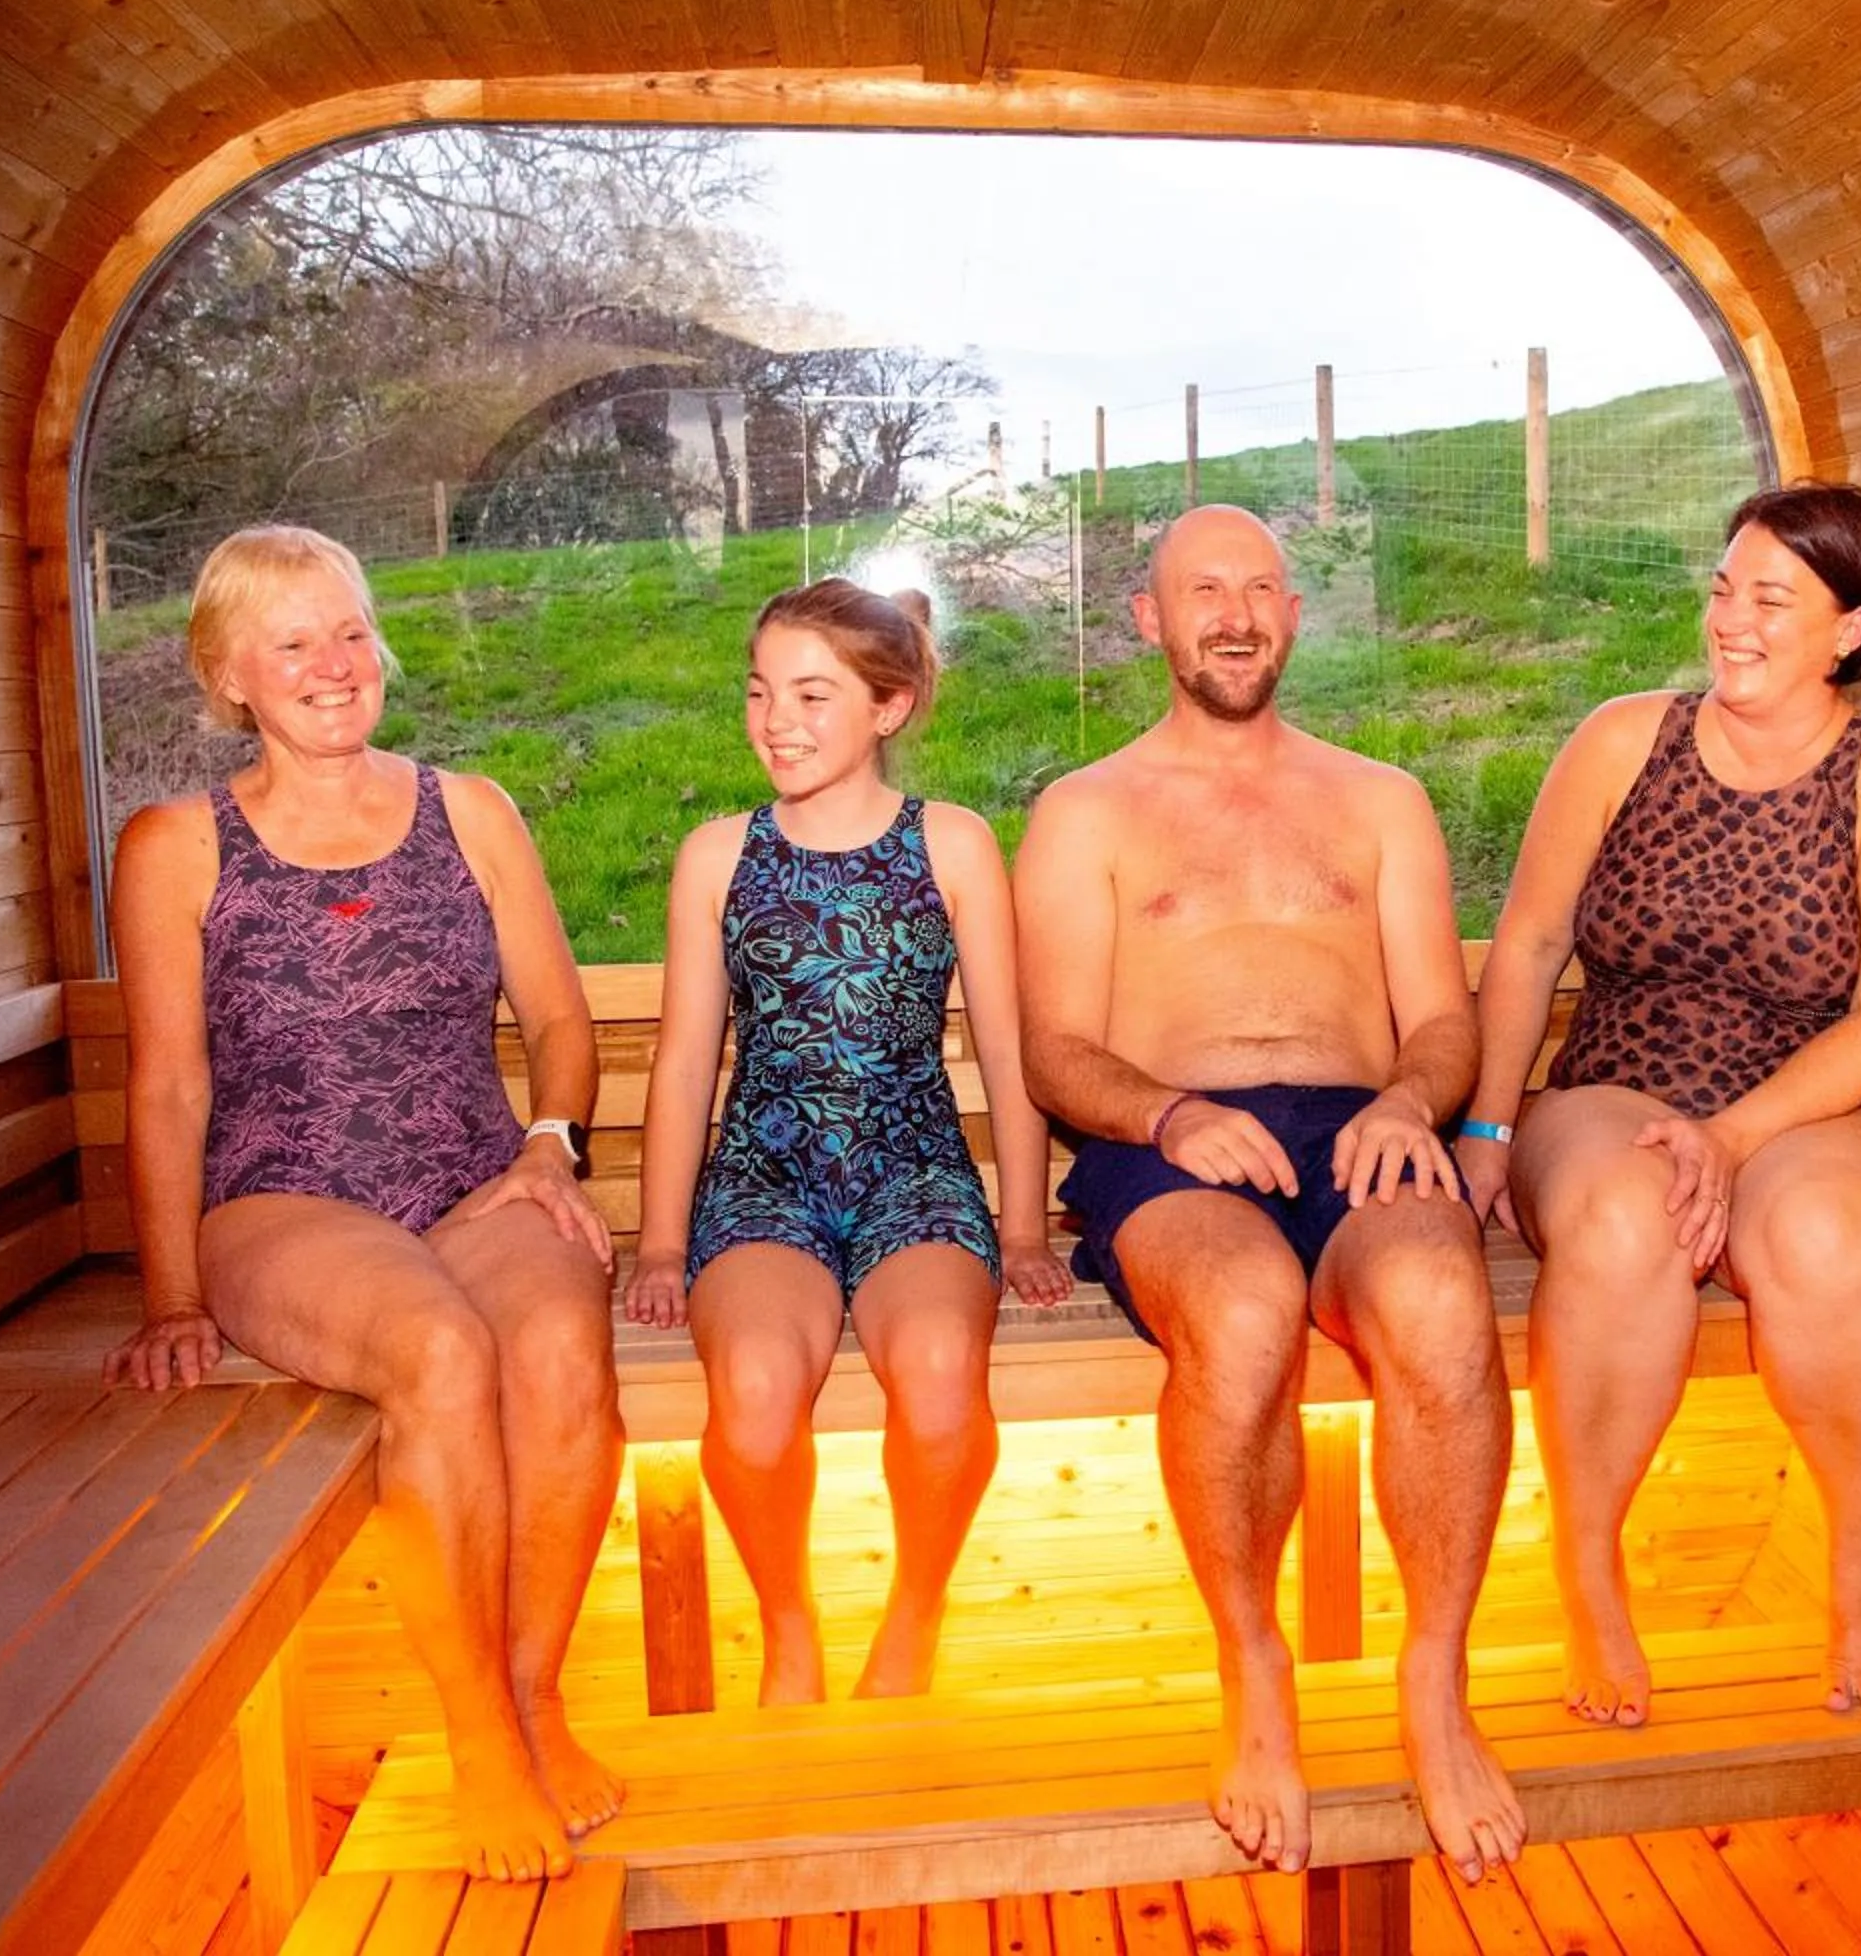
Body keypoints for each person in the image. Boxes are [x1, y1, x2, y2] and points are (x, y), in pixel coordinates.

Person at [1013, 504, 1525, 1886]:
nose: (1232, 615)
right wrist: (1172, 1114)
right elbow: (1055, 1049)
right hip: (1163, 1141)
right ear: (1149, 622)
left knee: (1433, 1288)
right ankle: (1254, 1666)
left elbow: (1440, 1013)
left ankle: (1434, 1679)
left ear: (1293, 616)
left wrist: (1415, 1103)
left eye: (1258, 589)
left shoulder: (1379, 799)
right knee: (1242, 1311)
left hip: (1363, 1126)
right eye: (1202, 592)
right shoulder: (1086, 810)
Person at [104, 525, 624, 1881]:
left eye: (348, 632)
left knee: (563, 1347)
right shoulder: (176, 844)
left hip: (477, 1172)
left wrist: (550, 1146)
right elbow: (166, 1090)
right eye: (292, 644)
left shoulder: (472, 811)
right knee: (441, 1354)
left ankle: (534, 1696)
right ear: (229, 676)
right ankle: (478, 1743)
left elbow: (562, 1024)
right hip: (286, 1198)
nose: (332, 666)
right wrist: (169, 1295)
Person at [1456, 480, 1861, 1728]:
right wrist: (1484, 1127)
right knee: (1628, 1222)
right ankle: (1588, 1566)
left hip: (1805, 1099)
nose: (1731, 618)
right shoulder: (1625, 738)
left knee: (1834, 1238)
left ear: (1850, 627)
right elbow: (1525, 945)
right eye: (1723, 588)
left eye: (1772, 598)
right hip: (1615, 1083)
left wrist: (1737, 1139)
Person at [628, 579, 1071, 1704]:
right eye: (760, 691)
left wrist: (1020, 1224)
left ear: (890, 704)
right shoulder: (718, 856)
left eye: (812, 694)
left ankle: (913, 1617)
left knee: (934, 1370)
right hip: (763, 1176)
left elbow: (1010, 1052)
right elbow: (685, 1065)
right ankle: (788, 1621)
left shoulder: (955, 845)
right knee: (761, 1379)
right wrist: (658, 1242)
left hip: (912, 1171)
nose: (777, 719)